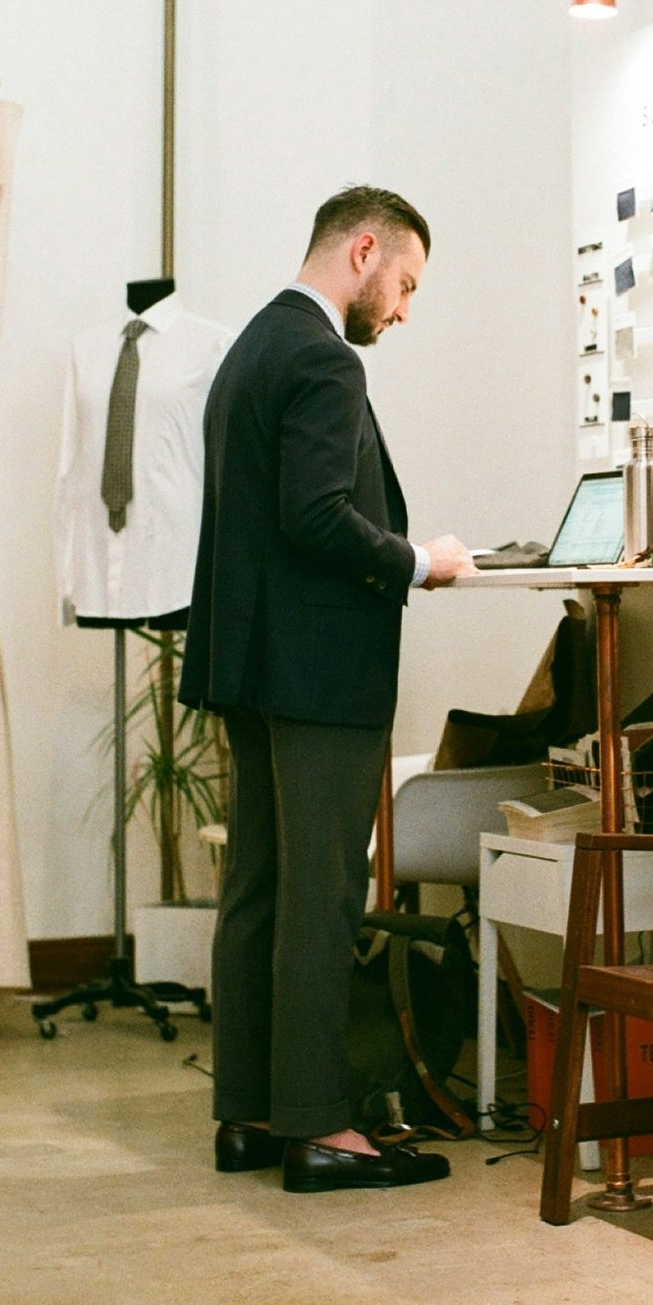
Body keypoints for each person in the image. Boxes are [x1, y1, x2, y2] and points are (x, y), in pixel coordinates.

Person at [179, 185, 475, 1193]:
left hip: (251, 667)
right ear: (361, 252)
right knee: (321, 895)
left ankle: (249, 1114)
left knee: (258, 889)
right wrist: (415, 561)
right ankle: (317, 1129)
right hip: (316, 674)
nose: (400, 309)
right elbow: (314, 516)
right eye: (402, 283)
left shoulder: (254, 345)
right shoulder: (319, 356)